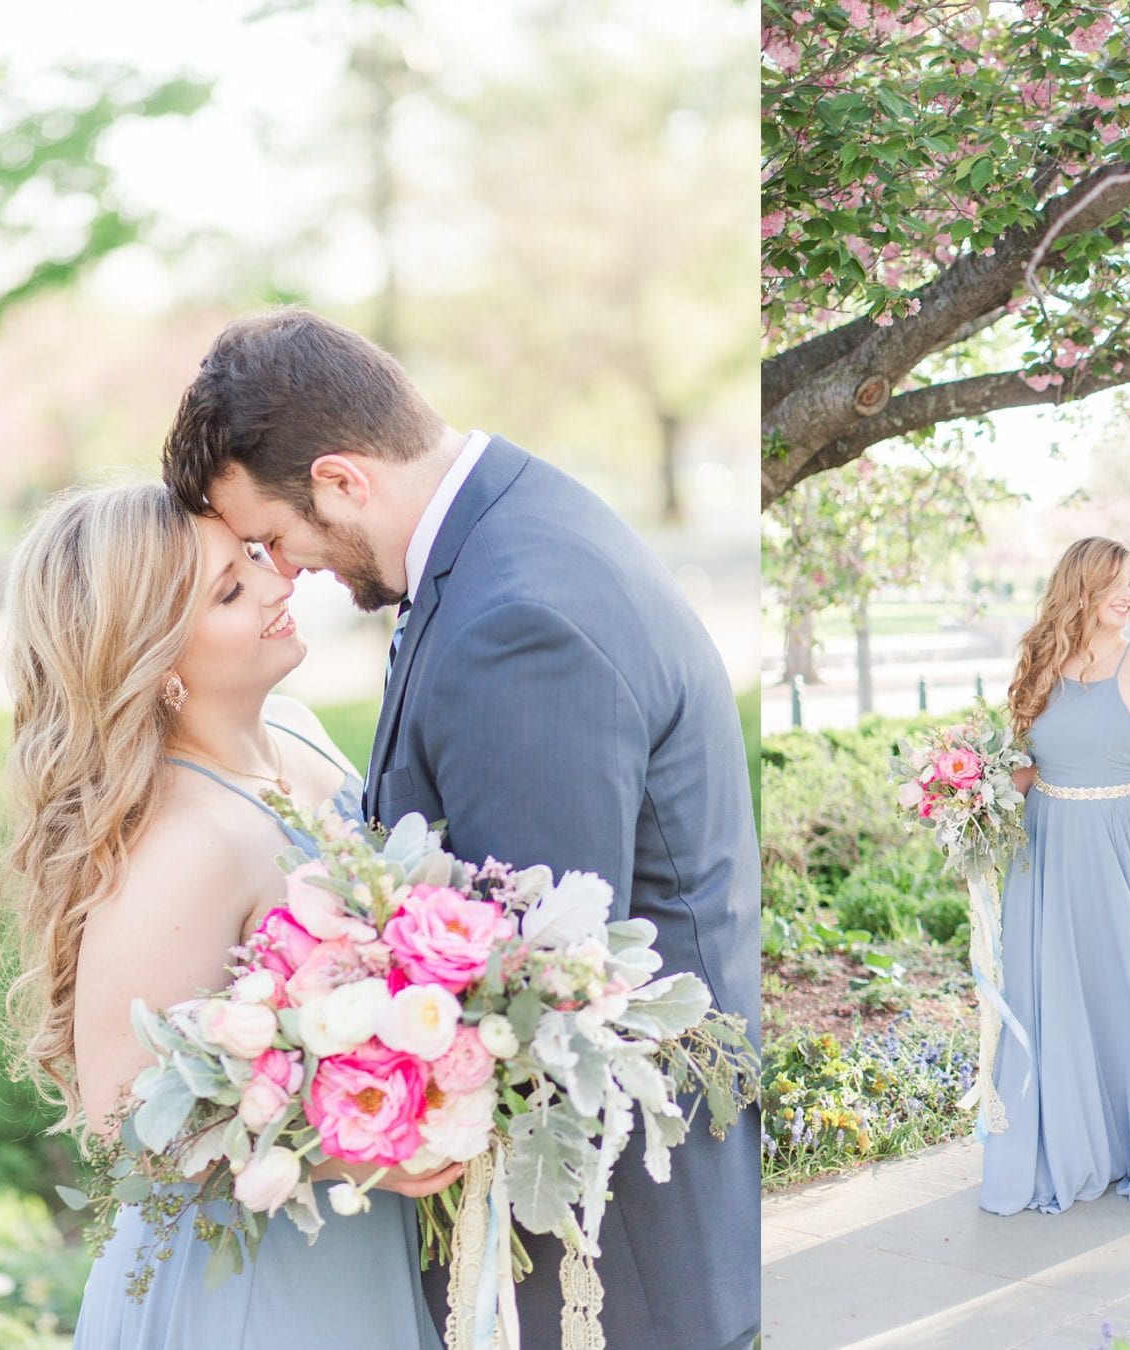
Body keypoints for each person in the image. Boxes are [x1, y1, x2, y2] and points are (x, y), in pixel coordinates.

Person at [159, 308, 761, 1350]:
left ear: (343, 480)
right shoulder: (509, 531)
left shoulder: (515, 620)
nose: (284, 568)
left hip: (617, 1266)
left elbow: (526, 991)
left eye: (273, 537)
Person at [0, 483, 459, 1348]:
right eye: (229, 591)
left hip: (353, 1248)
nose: (278, 583)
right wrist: (347, 1151)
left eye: (251, 558)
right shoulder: (186, 844)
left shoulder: (296, 731)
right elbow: (126, 1122)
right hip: (250, 1290)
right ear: (156, 660)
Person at [979, 536, 1130, 1216]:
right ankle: (1076, 1142)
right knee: (1060, 994)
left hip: (1127, 844)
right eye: (1117, 582)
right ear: (1079, 587)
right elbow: (1023, 770)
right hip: (1048, 852)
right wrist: (969, 800)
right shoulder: (1038, 667)